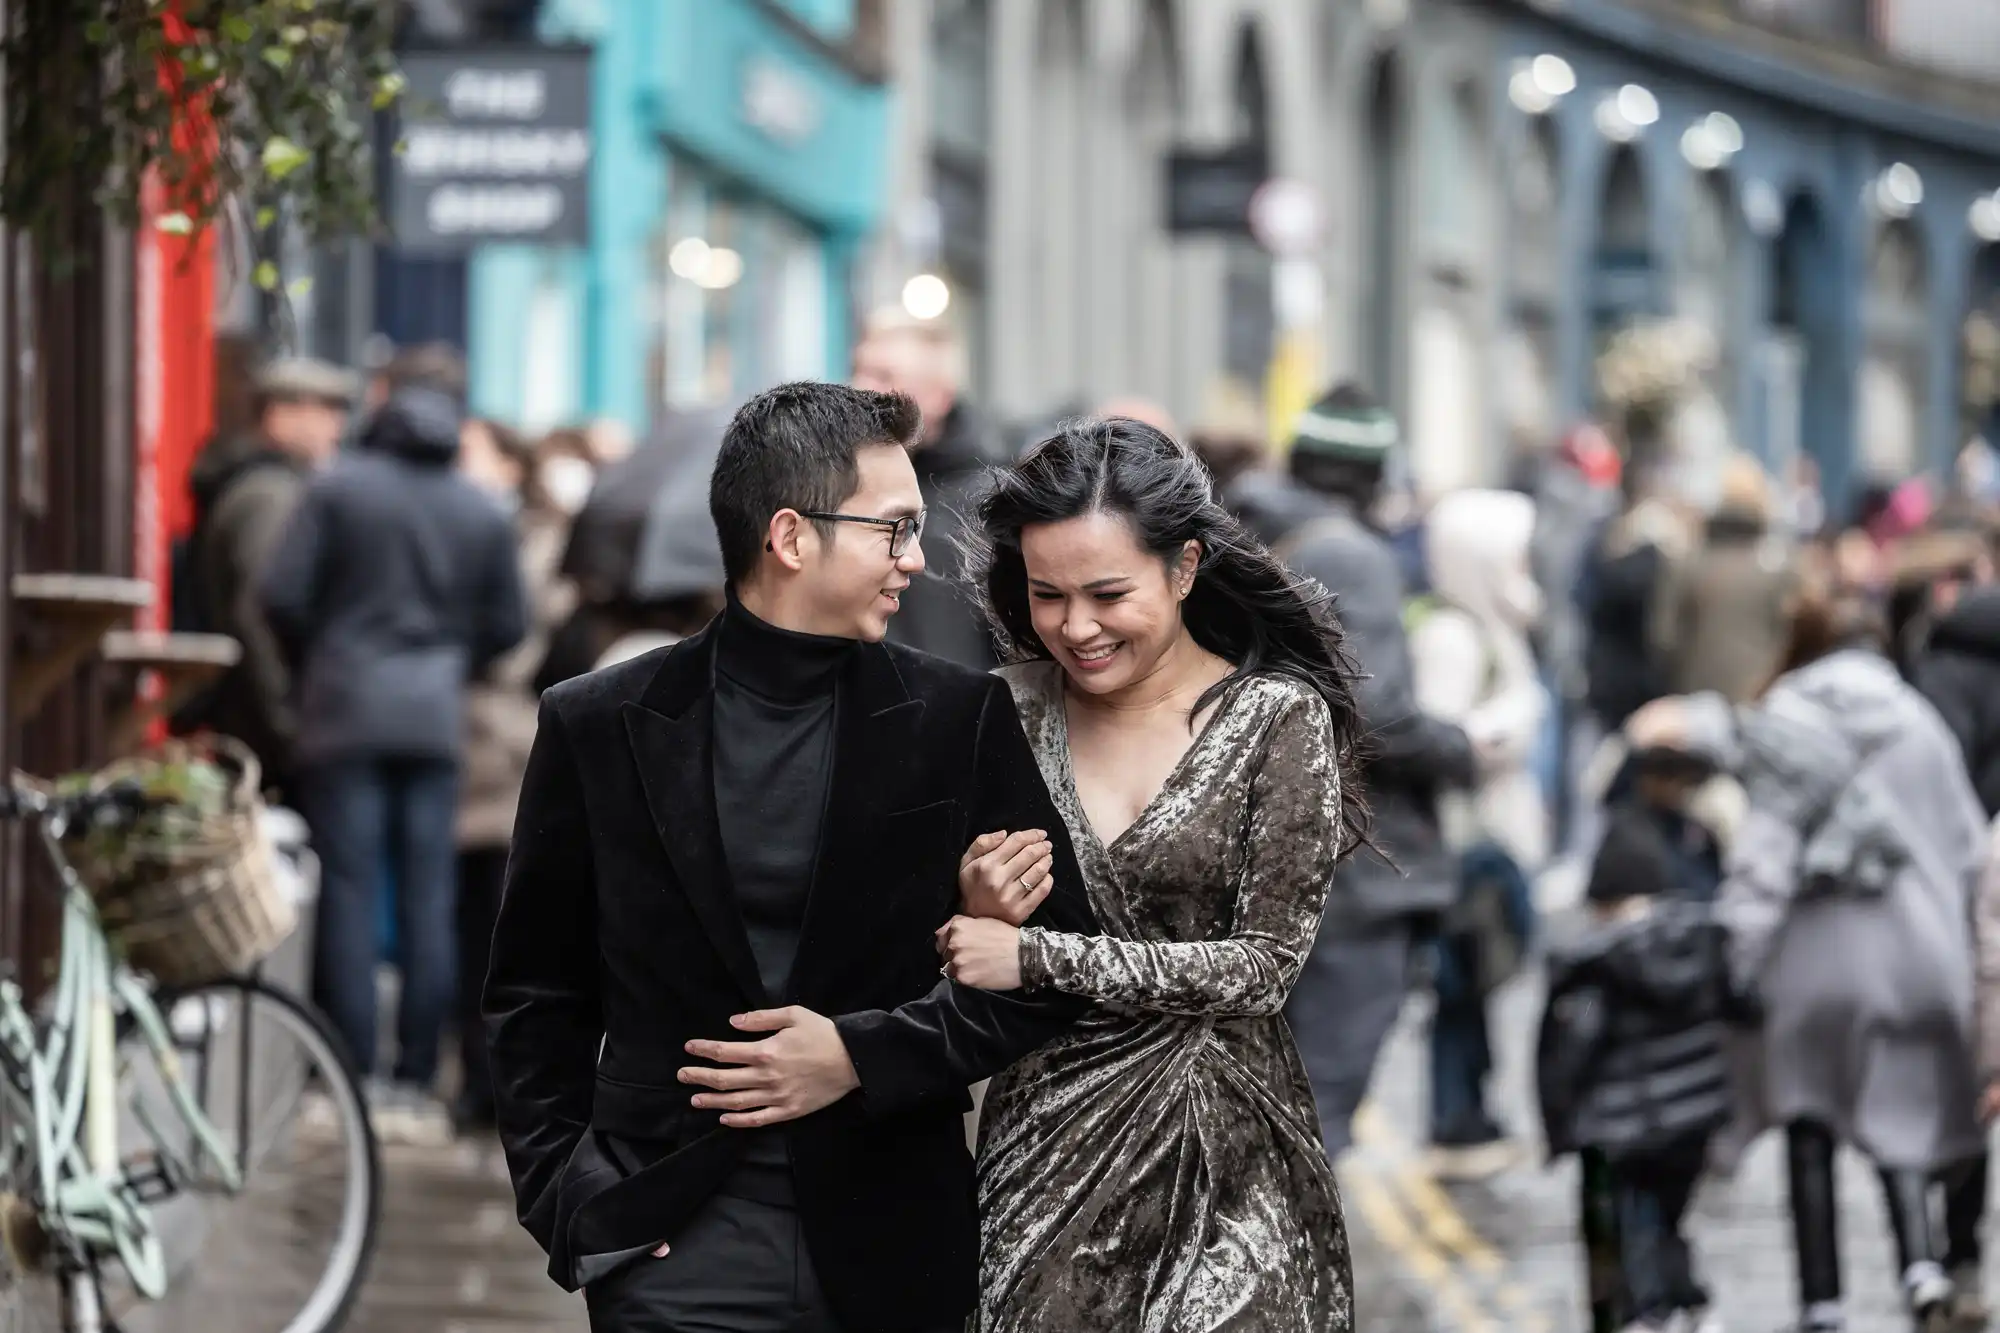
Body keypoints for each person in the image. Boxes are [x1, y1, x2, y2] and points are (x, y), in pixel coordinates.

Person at [482, 381, 1099, 1333]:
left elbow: (1058, 970)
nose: (917, 558)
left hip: (890, 1239)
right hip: (672, 1242)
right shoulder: (597, 722)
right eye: (893, 530)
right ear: (791, 537)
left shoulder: (955, 717)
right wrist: (574, 1202)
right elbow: (535, 994)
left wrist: (859, 1054)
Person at [935, 417, 1364, 1332]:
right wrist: (967, 909)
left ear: (1183, 567)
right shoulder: (1002, 711)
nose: (1075, 627)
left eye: (1106, 593)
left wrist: (1038, 954)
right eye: (1047, 595)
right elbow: (953, 956)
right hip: (1046, 1156)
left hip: (1231, 1160)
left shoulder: (1274, 719)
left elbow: (1264, 968)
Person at [1627, 581, 1990, 1333]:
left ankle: (1822, 1304)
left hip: (1815, 959)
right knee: (1899, 1113)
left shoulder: (1784, 721)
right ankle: (1920, 1267)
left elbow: (1765, 857)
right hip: (1917, 953)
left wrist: (1737, 953)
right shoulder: (1919, 722)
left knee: (1810, 1118)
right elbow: (1966, 852)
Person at [261, 353, 528, 1141]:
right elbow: (507, 625)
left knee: (347, 886)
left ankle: (350, 1069)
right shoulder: (479, 508)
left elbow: (280, 594)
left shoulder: (338, 487)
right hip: (434, 714)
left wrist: (326, 653)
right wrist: (447, 655)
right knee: (428, 895)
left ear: (382, 405)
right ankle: (416, 1075)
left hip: (342, 707)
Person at [1273, 384, 1477, 1157]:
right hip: (1353, 867)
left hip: (1282, 850)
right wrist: (1458, 748)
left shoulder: (1248, 528)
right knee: (1320, 1106)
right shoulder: (1351, 554)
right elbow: (1374, 709)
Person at [1536, 806, 1737, 1333]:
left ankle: (1650, 1312)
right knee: (1670, 1217)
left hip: (1624, 1127)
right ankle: (1687, 1301)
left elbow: (1571, 1051)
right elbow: (1745, 1005)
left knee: (1632, 1226)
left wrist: (1559, 1124)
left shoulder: (1596, 966)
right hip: (1694, 1122)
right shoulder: (1699, 941)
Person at [1407, 488, 1548, 1174]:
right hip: (1467, 845)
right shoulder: (1453, 636)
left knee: (1483, 979)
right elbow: (1437, 736)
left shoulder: (1493, 626)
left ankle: (1473, 1110)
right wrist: (1503, 730)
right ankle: (1454, 1118)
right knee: (1462, 982)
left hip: (1493, 835)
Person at [450, 418, 577, 1134]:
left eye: (472, 453)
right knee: (469, 922)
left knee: (503, 926)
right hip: (465, 739)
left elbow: (534, 635)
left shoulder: (538, 538)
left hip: (503, 744)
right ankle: (475, 1079)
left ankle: (498, 1085)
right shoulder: (466, 526)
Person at [175, 356, 357, 797]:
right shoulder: (271, 496)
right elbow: (257, 614)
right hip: (262, 732)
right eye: (326, 410)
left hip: (246, 720)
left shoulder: (261, 485)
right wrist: (288, 727)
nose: (337, 427)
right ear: (279, 414)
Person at [851, 307, 1009, 668]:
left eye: (883, 375)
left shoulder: (993, 499)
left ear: (940, 395)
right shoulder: (838, 485)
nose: (862, 388)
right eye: (859, 370)